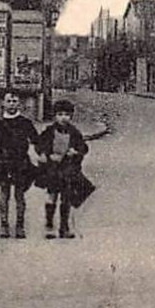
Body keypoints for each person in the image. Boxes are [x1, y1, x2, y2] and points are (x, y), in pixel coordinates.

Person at [0, 92, 40, 238]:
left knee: (20, 195)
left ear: (19, 104)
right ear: (3, 103)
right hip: (3, 162)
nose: (12, 104)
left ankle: (20, 226)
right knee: (4, 194)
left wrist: (42, 155)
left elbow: (36, 140)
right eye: (9, 101)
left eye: (15, 101)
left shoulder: (25, 123)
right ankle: (4, 225)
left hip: (21, 163)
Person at [36, 98, 95, 239]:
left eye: (67, 115)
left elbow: (83, 147)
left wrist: (76, 152)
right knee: (52, 195)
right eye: (60, 114)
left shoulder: (74, 132)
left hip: (67, 169)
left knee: (66, 197)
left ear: (71, 116)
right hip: (52, 168)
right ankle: (49, 224)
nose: (63, 118)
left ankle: (64, 227)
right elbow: (40, 144)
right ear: (55, 116)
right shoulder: (49, 131)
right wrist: (44, 154)